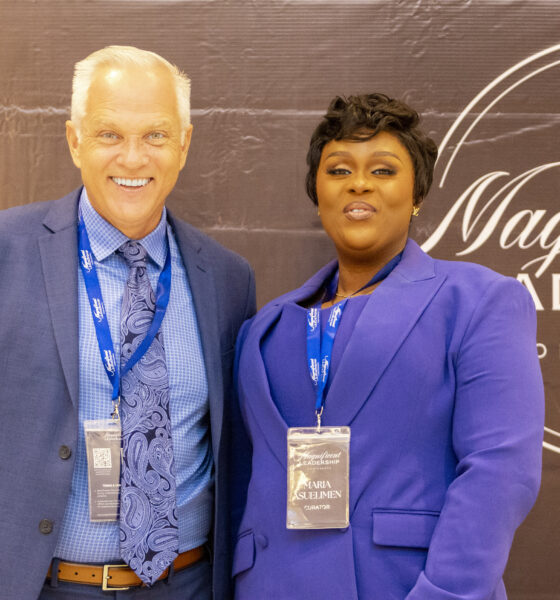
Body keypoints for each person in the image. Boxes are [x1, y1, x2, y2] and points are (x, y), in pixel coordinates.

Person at [232, 93, 544, 599]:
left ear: (416, 194)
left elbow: (501, 472)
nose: (359, 183)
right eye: (339, 170)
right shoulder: (264, 328)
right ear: (317, 192)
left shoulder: (479, 301)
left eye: (382, 170)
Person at [0, 46, 255, 600]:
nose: (134, 158)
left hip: (185, 584)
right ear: (75, 141)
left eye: (156, 135)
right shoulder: (6, 253)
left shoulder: (228, 279)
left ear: (184, 144)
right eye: (110, 134)